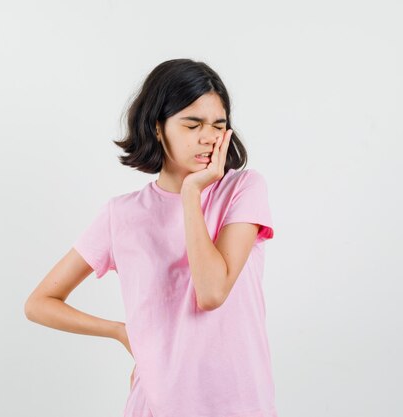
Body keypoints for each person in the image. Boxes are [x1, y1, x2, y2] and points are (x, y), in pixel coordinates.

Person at [24, 58, 277, 417]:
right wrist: (120, 332)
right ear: (158, 128)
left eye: (219, 125)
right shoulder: (122, 214)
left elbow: (211, 292)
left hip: (239, 405)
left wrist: (191, 195)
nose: (209, 137)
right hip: (156, 405)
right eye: (193, 124)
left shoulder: (243, 189)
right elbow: (39, 303)